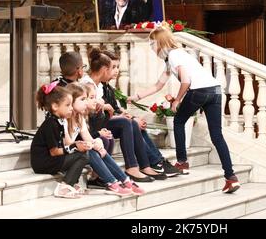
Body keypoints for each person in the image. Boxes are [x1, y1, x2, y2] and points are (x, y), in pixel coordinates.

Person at [128, 26, 241, 193]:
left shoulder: (174, 55)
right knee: (217, 135)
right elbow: (158, 85)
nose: (151, 47)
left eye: (152, 43)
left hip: (199, 90)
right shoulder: (174, 57)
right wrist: (136, 97)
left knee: (179, 121)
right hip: (215, 90)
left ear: (160, 42)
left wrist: (177, 100)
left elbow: (186, 81)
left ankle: (182, 162)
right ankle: (230, 177)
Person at [81, 48, 165, 182]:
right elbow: (88, 111)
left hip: (100, 121)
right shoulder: (87, 84)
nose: (116, 70)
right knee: (126, 123)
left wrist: (114, 112)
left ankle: (144, 165)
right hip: (90, 125)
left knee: (130, 122)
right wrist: (104, 107)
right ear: (104, 69)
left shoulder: (101, 87)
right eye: (112, 67)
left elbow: (108, 111)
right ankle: (132, 167)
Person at [101, 49, 180, 177]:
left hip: (114, 121)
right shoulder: (97, 87)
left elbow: (116, 108)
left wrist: (133, 117)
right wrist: (129, 119)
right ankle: (150, 163)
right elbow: (104, 114)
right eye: (113, 67)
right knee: (130, 124)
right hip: (103, 124)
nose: (117, 70)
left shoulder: (109, 87)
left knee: (137, 124)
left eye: (118, 67)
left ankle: (156, 161)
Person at [64, 83, 144, 196]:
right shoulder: (65, 119)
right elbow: (68, 144)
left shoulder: (79, 117)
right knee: (91, 151)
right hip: (63, 155)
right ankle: (112, 182)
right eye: (83, 99)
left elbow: (88, 137)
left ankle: (125, 180)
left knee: (100, 149)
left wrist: (96, 144)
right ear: (72, 101)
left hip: (74, 152)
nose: (86, 102)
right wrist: (90, 145)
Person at [30, 82, 89, 199]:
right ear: (55, 106)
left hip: (51, 160)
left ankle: (72, 183)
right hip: (43, 163)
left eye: (71, 105)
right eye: (67, 105)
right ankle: (65, 186)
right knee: (82, 156)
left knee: (81, 154)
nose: (71, 108)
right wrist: (74, 147)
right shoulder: (50, 124)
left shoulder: (59, 121)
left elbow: (63, 144)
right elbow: (54, 151)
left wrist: (77, 145)